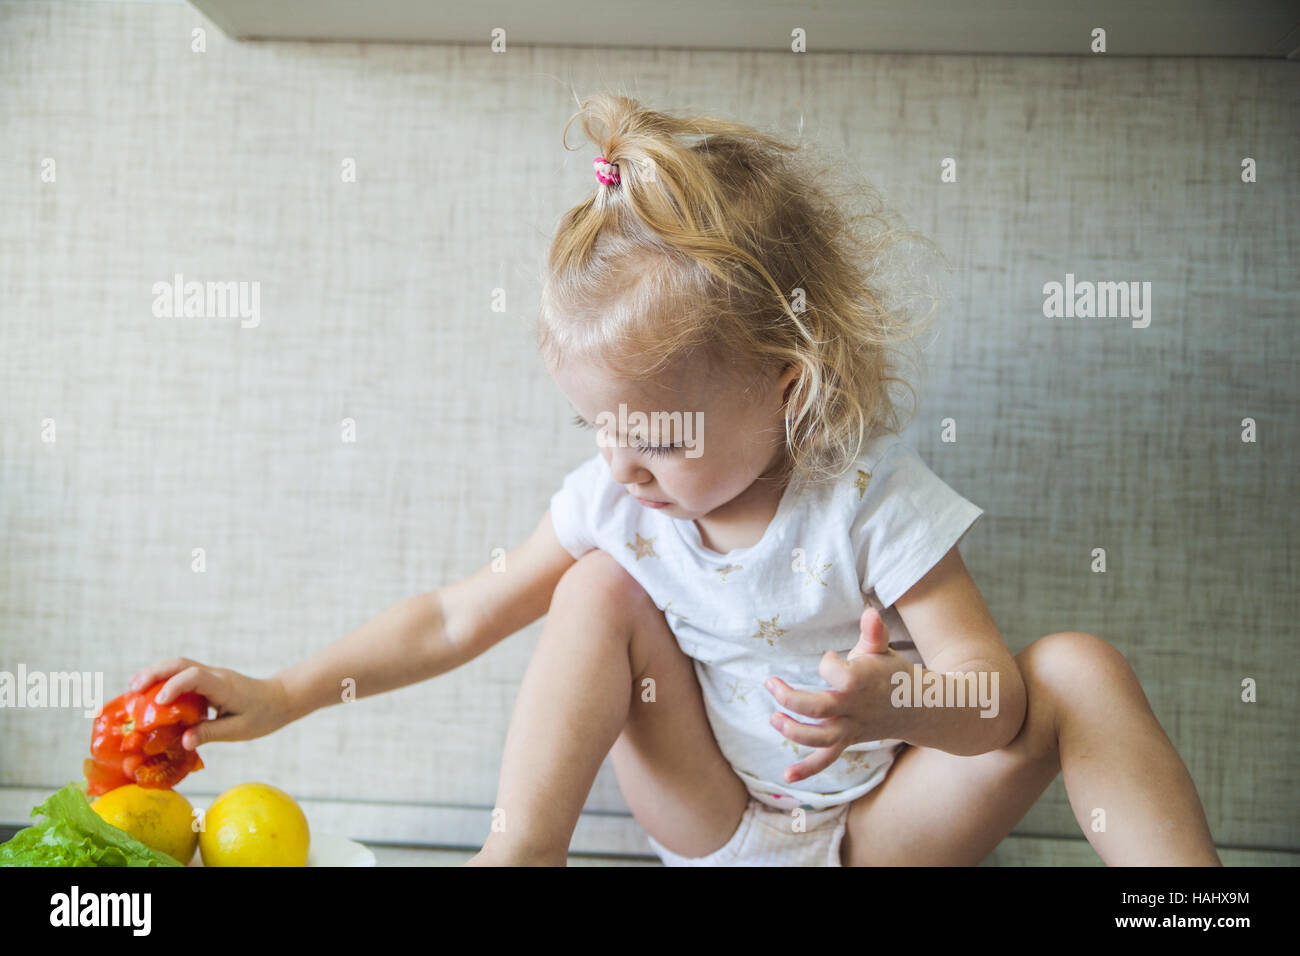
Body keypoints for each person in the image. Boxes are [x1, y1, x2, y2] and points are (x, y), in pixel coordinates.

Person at [130, 93, 1222, 867]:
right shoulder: (620, 500)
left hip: (878, 831)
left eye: (654, 433)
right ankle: (519, 851)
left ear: (786, 388)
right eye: (595, 427)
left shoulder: (869, 497)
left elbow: (996, 706)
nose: (619, 464)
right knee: (591, 584)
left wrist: (905, 699)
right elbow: (455, 613)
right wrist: (284, 693)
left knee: (1074, 665)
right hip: (714, 821)